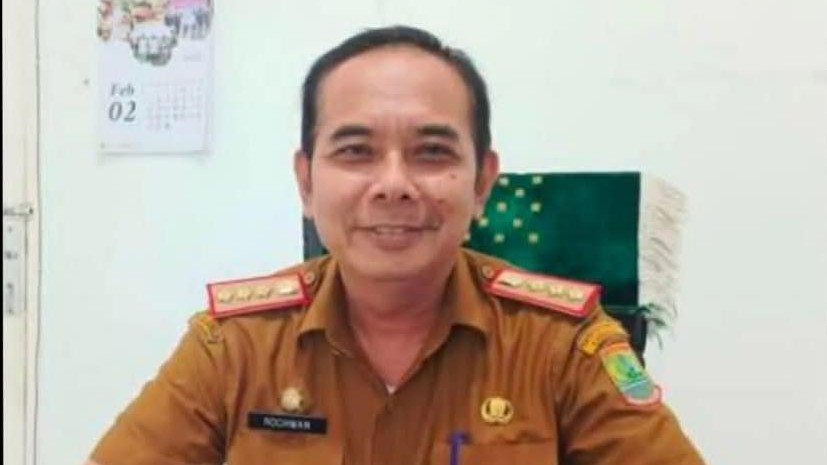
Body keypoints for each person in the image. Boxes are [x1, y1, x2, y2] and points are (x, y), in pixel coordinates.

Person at [86, 25, 705, 465]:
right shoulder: (234, 347)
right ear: (306, 182)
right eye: (356, 151)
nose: (393, 185)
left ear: (482, 184)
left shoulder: (562, 345)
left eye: (431, 152)